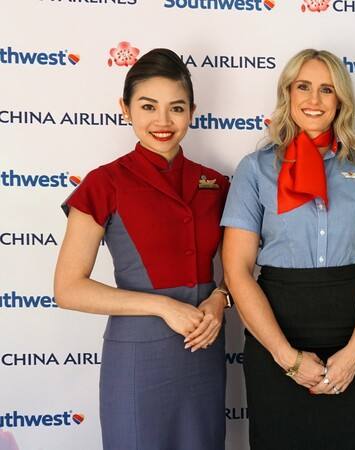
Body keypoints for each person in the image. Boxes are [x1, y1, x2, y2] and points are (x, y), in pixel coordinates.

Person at [53, 48, 229, 450]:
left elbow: (242, 268)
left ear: (192, 111)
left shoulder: (216, 183)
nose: (163, 122)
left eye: (176, 108)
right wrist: (162, 306)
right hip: (136, 357)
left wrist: (220, 300)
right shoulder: (104, 183)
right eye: (148, 106)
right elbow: (68, 289)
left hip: (204, 346)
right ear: (125, 108)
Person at [221, 49, 355, 450]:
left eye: (326, 89)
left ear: (341, 101)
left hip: (353, 333)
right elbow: (237, 269)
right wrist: (289, 359)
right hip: (276, 333)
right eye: (304, 87)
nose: (314, 100)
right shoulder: (255, 168)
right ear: (287, 93)